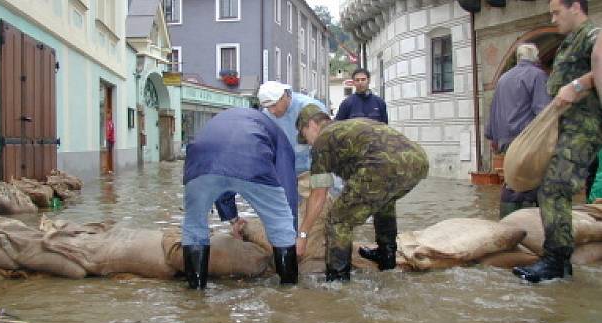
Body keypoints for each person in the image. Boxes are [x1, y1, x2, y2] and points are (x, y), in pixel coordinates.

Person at [513, 0, 601, 283]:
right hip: (566, 127)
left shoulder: (592, 35)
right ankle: (558, 261)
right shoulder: (570, 41)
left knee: (554, 188)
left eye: (556, 12)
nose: (553, 18)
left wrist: (580, 84)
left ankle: (555, 260)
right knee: (550, 189)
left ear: (576, 6)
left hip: (582, 128)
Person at [295, 104, 429, 281]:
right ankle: (386, 256)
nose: (309, 143)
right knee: (384, 203)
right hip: (418, 161)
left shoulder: (322, 141)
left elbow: (318, 195)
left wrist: (303, 235)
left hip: (381, 167)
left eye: (305, 136)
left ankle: (337, 279)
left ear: (311, 125)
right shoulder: (348, 128)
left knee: (338, 220)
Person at [182, 108, 299, 289]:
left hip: (198, 163)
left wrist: (233, 219)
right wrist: (293, 230)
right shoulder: (278, 134)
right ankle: (289, 290)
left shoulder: (220, 121)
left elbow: (223, 180)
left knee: (194, 226)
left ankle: (195, 291)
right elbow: (286, 184)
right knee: (281, 223)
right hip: (251, 159)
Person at [214, 81, 327, 232]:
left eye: (274, 105)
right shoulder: (266, 116)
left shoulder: (311, 109)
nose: (272, 111)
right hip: (283, 165)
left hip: (311, 167)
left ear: (286, 96)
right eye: (267, 107)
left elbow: (325, 147)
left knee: (318, 215)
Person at [484, 43, 552, 218]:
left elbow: (494, 108)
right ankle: (528, 227)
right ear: (536, 58)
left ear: (518, 58)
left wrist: (492, 136)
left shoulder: (503, 78)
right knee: (530, 183)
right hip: (528, 138)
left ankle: (506, 222)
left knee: (512, 180)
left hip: (506, 140)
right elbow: (542, 111)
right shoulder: (537, 75)